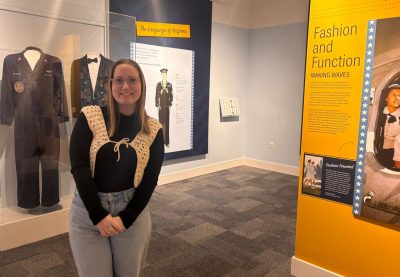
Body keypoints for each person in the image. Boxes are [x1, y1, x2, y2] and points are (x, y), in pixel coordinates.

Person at [69, 58, 164, 277]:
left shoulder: (153, 130)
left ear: (142, 84)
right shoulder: (90, 116)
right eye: (119, 80)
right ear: (110, 85)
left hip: (132, 213)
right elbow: (79, 167)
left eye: (132, 80)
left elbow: (150, 180)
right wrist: (98, 216)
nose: (125, 87)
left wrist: (126, 218)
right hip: (87, 213)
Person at [374, 83, 400, 170]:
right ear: (386, 98)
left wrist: (398, 161)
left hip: (395, 153)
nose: (397, 98)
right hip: (376, 151)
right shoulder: (377, 114)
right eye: (394, 95)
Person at [155, 68, 173, 146]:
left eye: (165, 74)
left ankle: (167, 141)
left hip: (167, 107)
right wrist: (157, 106)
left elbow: (172, 97)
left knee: (167, 124)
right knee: (161, 124)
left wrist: (168, 92)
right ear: (161, 75)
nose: (164, 76)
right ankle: (160, 142)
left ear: (166, 75)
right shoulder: (158, 85)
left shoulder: (169, 85)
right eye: (162, 74)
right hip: (161, 107)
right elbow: (156, 96)